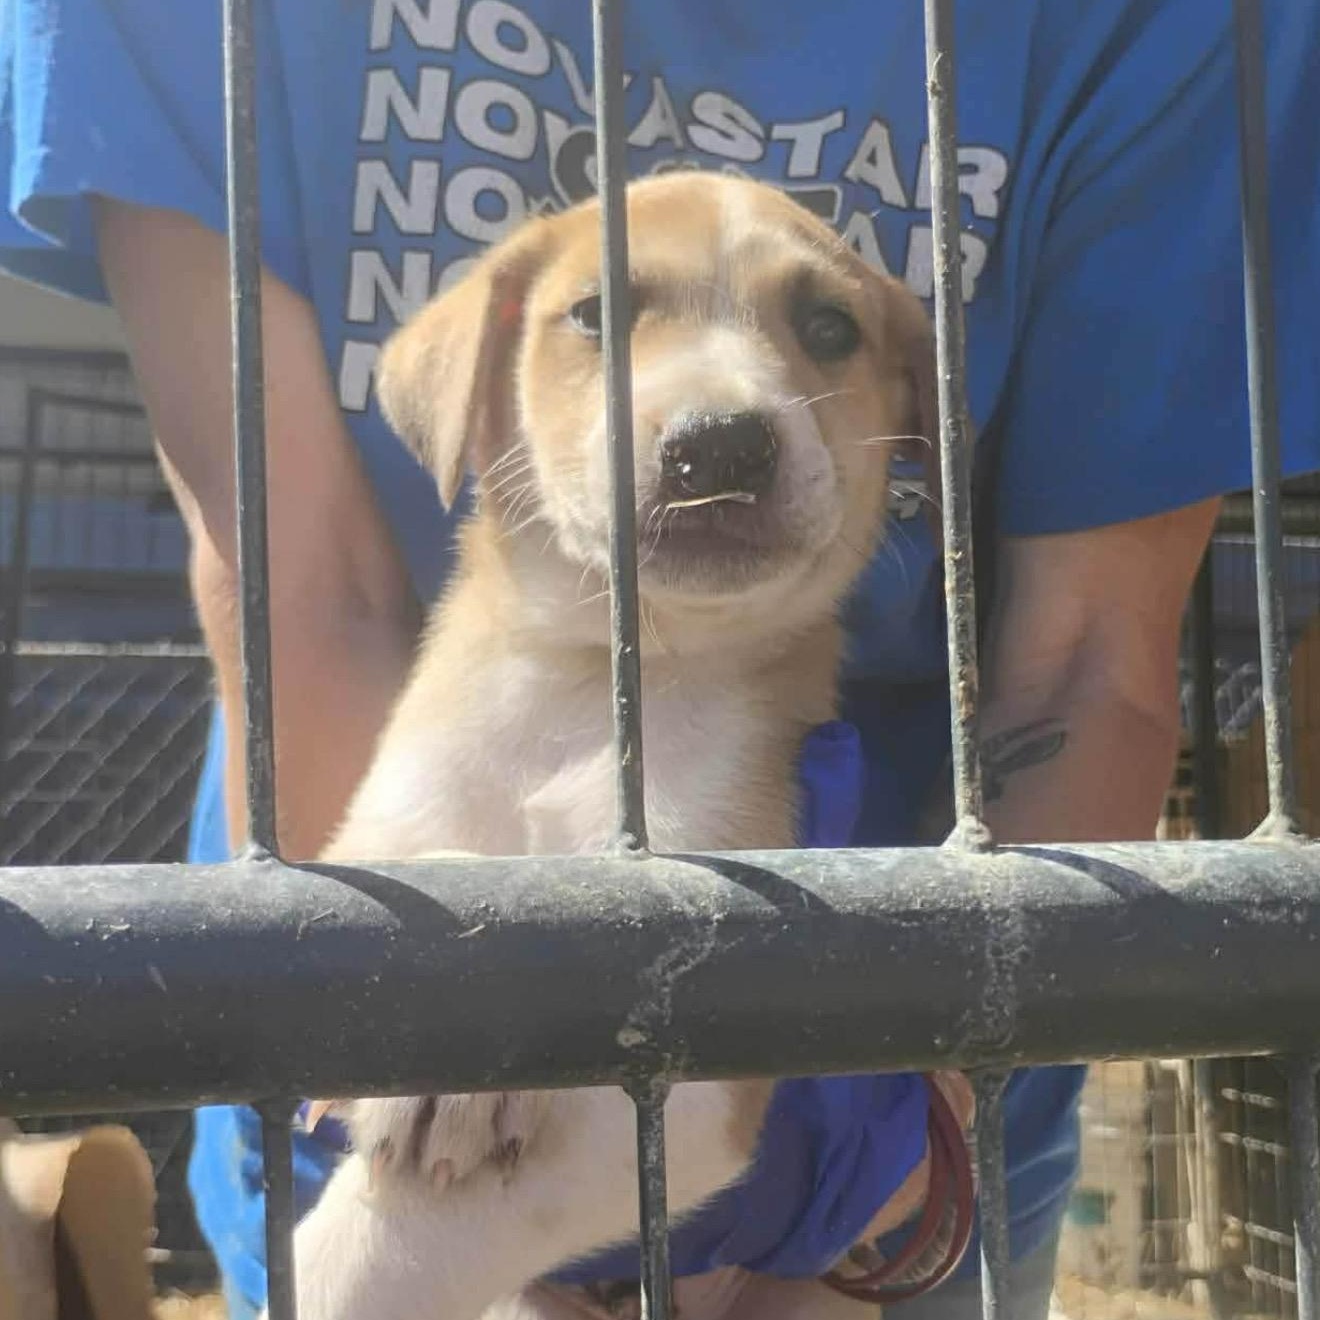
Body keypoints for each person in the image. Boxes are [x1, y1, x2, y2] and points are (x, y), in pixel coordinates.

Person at [3, 2, 1318, 1318]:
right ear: (484, 379)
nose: (725, 409)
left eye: (826, 331)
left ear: (914, 420)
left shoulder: (1178, 27)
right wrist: (406, 1053)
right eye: (605, 312)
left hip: (898, 1166)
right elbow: (299, 581)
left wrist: (903, 1178)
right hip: (339, 981)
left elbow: (1096, 657)